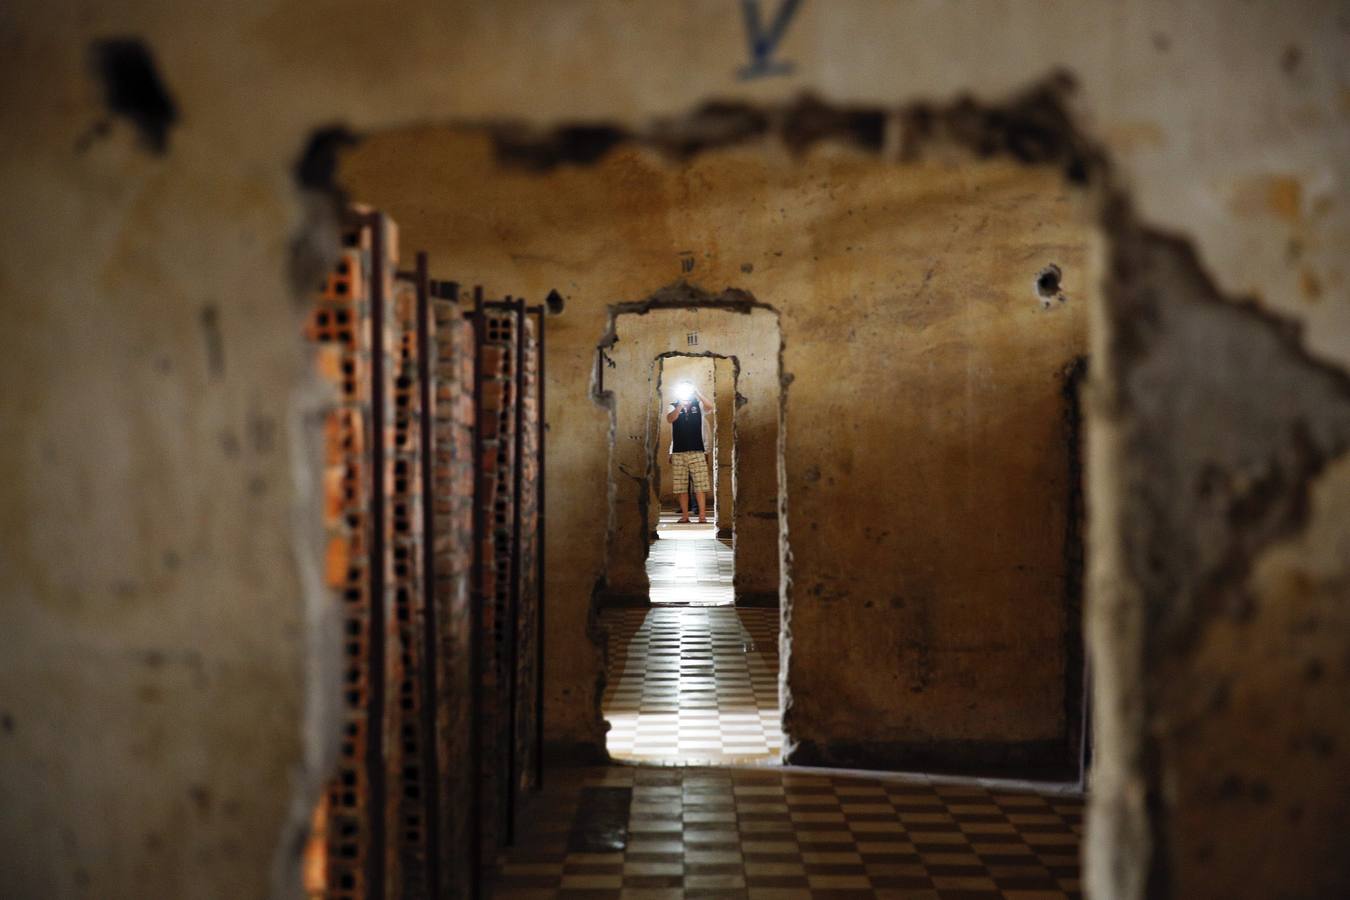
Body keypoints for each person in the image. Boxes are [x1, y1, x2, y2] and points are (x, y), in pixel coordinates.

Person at [666, 381, 713, 524]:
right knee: (681, 486)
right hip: (679, 452)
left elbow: (710, 407)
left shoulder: (697, 405)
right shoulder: (673, 405)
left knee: (701, 485)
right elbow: (670, 419)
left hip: (697, 450)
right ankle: (685, 516)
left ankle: (702, 516)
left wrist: (697, 393)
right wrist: (680, 405)